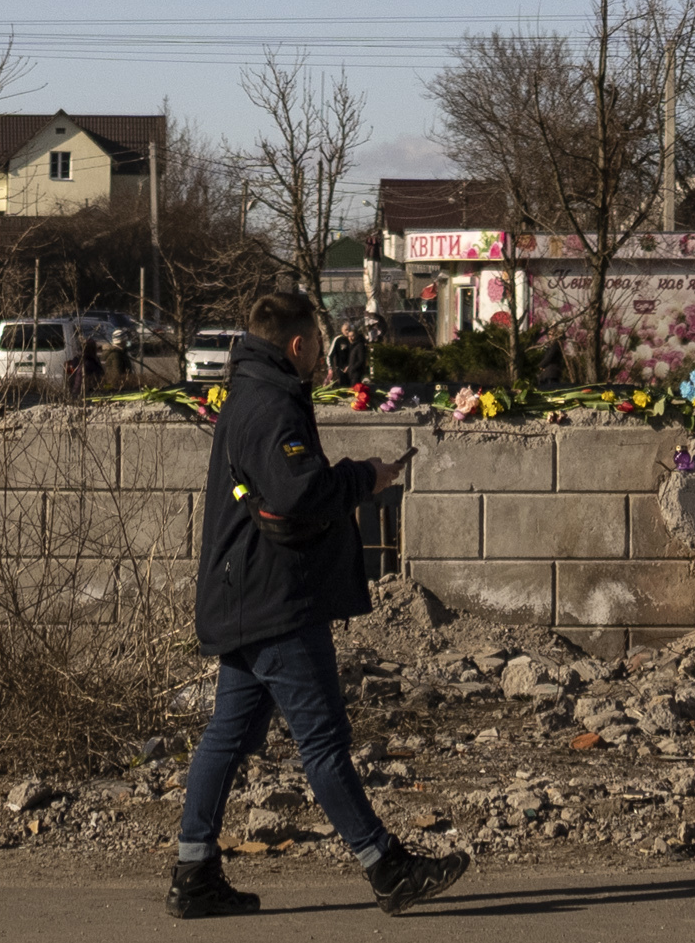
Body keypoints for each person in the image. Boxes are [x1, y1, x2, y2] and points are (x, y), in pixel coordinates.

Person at [170, 289, 468, 919]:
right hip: (277, 599)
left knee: (227, 736)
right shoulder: (271, 404)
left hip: (244, 593)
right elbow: (298, 497)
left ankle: (193, 871)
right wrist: (365, 477)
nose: (321, 360)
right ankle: (387, 868)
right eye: (317, 346)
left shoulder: (250, 392)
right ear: (299, 345)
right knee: (325, 741)